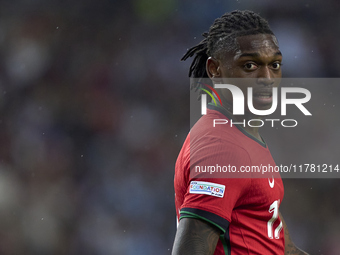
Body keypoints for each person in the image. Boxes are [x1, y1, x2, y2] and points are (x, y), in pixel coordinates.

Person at [172, 10, 309, 255]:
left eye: (274, 65)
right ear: (215, 69)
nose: (267, 78)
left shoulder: (243, 134)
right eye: (249, 65)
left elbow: (279, 246)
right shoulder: (221, 147)